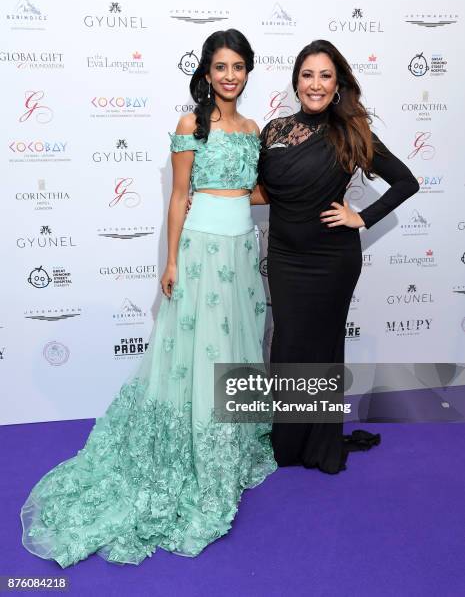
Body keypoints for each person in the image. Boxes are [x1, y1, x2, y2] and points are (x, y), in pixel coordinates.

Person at [20, 29, 276, 568]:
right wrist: (174, 259)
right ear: (207, 73)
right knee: (196, 358)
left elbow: (251, 191)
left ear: (248, 72)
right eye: (221, 67)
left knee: (236, 353)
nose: (230, 76)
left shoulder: (254, 129)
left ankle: (229, 447)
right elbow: (181, 196)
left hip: (239, 255)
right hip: (203, 254)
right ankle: (191, 450)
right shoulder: (191, 126)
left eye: (238, 67)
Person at [252, 40, 419, 474]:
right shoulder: (273, 130)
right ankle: (286, 443)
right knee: (288, 344)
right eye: (307, 75)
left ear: (338, 83)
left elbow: (406, 182)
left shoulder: (352, 132)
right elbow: (263, 191)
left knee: (322, 348)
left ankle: (319, 443)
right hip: (286, 257)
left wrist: (361, 217)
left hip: (332, 260)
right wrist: (214, 199)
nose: (315, 84)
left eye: (325, 75)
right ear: (296, 82)